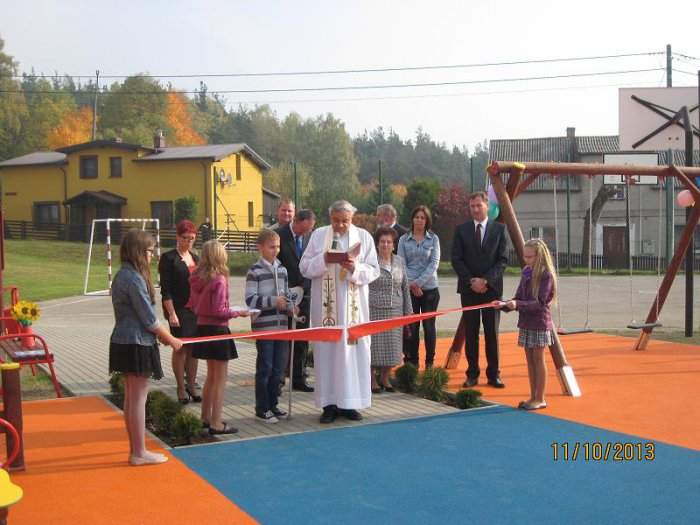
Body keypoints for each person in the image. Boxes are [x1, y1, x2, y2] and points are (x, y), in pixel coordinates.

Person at [300, 200, 379, 424]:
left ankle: (350, 403)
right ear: (330, 218)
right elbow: (304, 267)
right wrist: (324, 259)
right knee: (327, 355)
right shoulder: (319, 236)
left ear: (352, 218)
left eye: (345, 221)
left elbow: (374, 270)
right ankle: (329, 405)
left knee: (353, 354)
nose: (341, 225)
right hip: (327, 312)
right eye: (336, 221)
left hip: (354, 313)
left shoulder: (363, 237)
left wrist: (355, 268)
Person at [109, 229, 183, 466]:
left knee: (132, 397)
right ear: (139, 252)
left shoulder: (122, 275)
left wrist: (161, 336)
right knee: (138, 398)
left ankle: (136, 450)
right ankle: (139, 452)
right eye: (150, 251)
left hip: (125, 340)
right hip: (136, 343)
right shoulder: (134, 279)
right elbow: (149, 319)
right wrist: (171, 339)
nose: (152, 256)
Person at [188, 240, 249, 434]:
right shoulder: (219, 279)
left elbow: (193, 304)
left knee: (211, 377)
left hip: (202, 327)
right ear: (220, 255)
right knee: (220, 379)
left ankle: (205, 417)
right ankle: (216, 422)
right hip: (218, 330)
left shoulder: (196, 277)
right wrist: (239, 312)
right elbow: (219, 310)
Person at [451, 191, 508, 388]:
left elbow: (503, 260)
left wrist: (486, 281)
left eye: (478, 205)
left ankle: (494, 374)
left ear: (487, 206)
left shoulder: (499, 229)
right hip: (469, 291)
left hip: (491, 290)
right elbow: (456, 259)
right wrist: (472, 282)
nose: (475, 209)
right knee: (471, 333)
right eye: (472, 206)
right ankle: (472, 374)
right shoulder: (461, 230)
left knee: (492, 333)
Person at [496, 239, 556, 410]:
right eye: (524, 256)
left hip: (539, 322)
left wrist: (518, 304)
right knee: (529, 360)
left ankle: (540, 398)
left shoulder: (546, 275)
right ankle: (532, 396)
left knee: (538, 359)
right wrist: (504, 304)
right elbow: (518, 297)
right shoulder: (526, 272)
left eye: (530, 257)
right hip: (526, 322)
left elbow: (540, 303)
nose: (526, 260)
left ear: (539, 256)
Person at [245, 229, 293, 423]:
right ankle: (262, 408)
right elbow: (250, 299)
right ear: (260, 247)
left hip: (282, 327)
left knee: (278, 370)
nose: (276, 250)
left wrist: (291, 306)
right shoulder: (254, 271)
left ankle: (273, 405)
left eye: (278, 247)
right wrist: (274, 301)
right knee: (265, 368)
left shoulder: (283, 270)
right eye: (272, 247)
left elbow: (287, 295)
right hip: (264, 327)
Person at [158, 220, 200, 405]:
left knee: (193, 349)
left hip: (195, 310)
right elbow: (165, 290)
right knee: (181, 348)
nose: (188, 242)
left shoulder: (196, 258)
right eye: (185, 238)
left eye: (191, 238)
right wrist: (171, 313)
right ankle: (181, 388)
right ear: (177, 237)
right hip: (178, 309)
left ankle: (191, 385)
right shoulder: (168, 258)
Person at [276, 208, 316, 391]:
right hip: (286, 294)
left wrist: (305, 288)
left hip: (305, 295)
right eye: (305, 229)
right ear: (297, 221)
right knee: (284, 340)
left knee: (302, 339)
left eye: (310, 229)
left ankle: (299, 378)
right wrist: (287, 295)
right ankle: (278, 380)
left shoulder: (310, 237)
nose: (307, 233)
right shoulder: (279, 235)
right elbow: (276, 267)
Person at [369, 227, 412, 393]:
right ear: (377, 244)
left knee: (392, 348)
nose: (385, 245)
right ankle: (372, 380)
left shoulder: (399, 261)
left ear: (394, 245)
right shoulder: (371, 261)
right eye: (382, 242)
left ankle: (385, 378)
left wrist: (408, 311)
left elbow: (405, 286)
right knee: (374, 347)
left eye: (389, 242)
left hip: (395, 310)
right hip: (374, 309)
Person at [397, 205, 441, 369]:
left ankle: (429, 363)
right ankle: (412, 362)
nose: (419, 220)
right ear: (412, 219)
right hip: (409, 290)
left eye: (423, 217)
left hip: (430, 291)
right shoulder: (403, 240)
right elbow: (401, 264)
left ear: (427, 220)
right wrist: (411, 284)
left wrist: (419, 283)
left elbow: (434, 264)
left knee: (429, 327)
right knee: (412, 328)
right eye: (417, 217)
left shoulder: (434, 239)